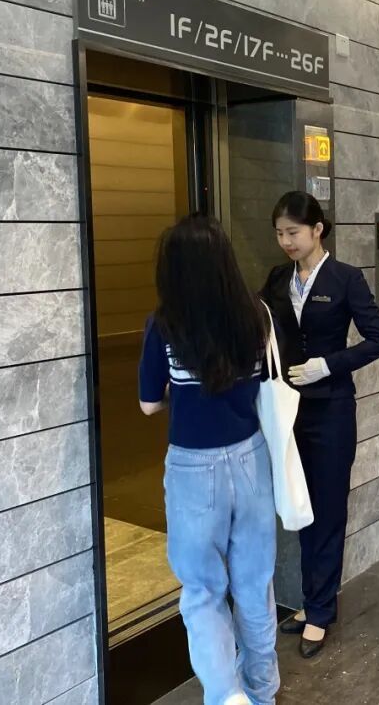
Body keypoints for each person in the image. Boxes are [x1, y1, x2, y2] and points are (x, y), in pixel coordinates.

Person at [139, 214, 278, 705]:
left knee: (202, 592)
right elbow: (263, 384)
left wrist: (184, 392)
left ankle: (226, 695)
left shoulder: (164, 325)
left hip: (193, 469)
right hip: (251, 459)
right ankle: (261, 691)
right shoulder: (256, 315)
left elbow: (148, 403)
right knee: (255, 584)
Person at [261, 191, 379, 658]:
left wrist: (329, 365)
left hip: (331, 410)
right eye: (280, 233)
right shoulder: (277, 279)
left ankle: (320, 611)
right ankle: (311, 600)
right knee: (300, 506)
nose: (286, 242)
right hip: (288, 409)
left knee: (329, 508)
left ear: (318, 230)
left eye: (293, 232)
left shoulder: (345, 278)